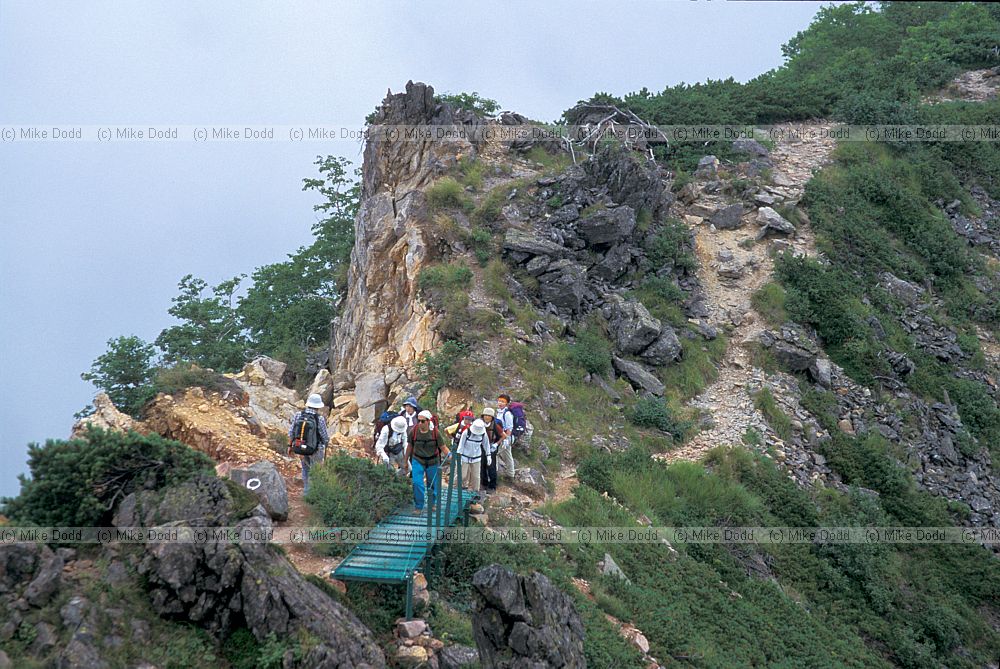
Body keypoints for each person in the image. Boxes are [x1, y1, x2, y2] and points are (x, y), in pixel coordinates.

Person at [404, 410, 450, 514]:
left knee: (433, 483)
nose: (420, 423)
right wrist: (406, 460)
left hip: (432, 460)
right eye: (418, 420)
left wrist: (450, 455)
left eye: (422, 421)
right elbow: (409, 446)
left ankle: (432, 503)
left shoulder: (435, 432)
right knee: (417, 483)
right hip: (418, 459)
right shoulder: (414, 431)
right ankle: (419, 506)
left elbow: (443, 447)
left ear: (428, 421)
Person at [288, 393, 329, 495]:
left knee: (305, 469)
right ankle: (314, 495)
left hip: (301, 447)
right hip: (316, 449)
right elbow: (324, 436)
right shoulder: (319, 419)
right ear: (318, 406)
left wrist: (290, 446)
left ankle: (306, 492)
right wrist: (326, 444)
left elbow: (291, 432)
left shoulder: (298, 415)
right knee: (315, 471)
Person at [456, 419, 491, 495]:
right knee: (462, 475)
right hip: (464, 457)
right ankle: (459, 490)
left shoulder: (483, 434)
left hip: (476, 458)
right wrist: (458, 458)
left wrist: (488, 455)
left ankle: (475, 493)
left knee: (476, 477)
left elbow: (486, 445)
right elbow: (461, 445)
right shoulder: (466, 433)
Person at [479, 407, 504, 493]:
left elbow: (503, 435)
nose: (487, 417)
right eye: (485, 415)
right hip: (481, 447)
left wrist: (496, 444)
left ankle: (492, 485)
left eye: (489, 416)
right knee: (482, 465)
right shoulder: (479, 424)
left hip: (491, 447)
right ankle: (484, 483)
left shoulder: (495, 426)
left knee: (491, 466)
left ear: (492, 417)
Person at [496, 394, 516, 481]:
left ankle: (497, 473)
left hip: (505, 438)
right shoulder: (499, 412)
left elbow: (509, 428)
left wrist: (506, 439)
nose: (500, 403)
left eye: (503, 402)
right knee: (507, 455)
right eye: (499, 401)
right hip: (500, 437)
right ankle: (510, 474)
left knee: (495, 454)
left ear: (507, 403)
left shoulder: (507, 414)